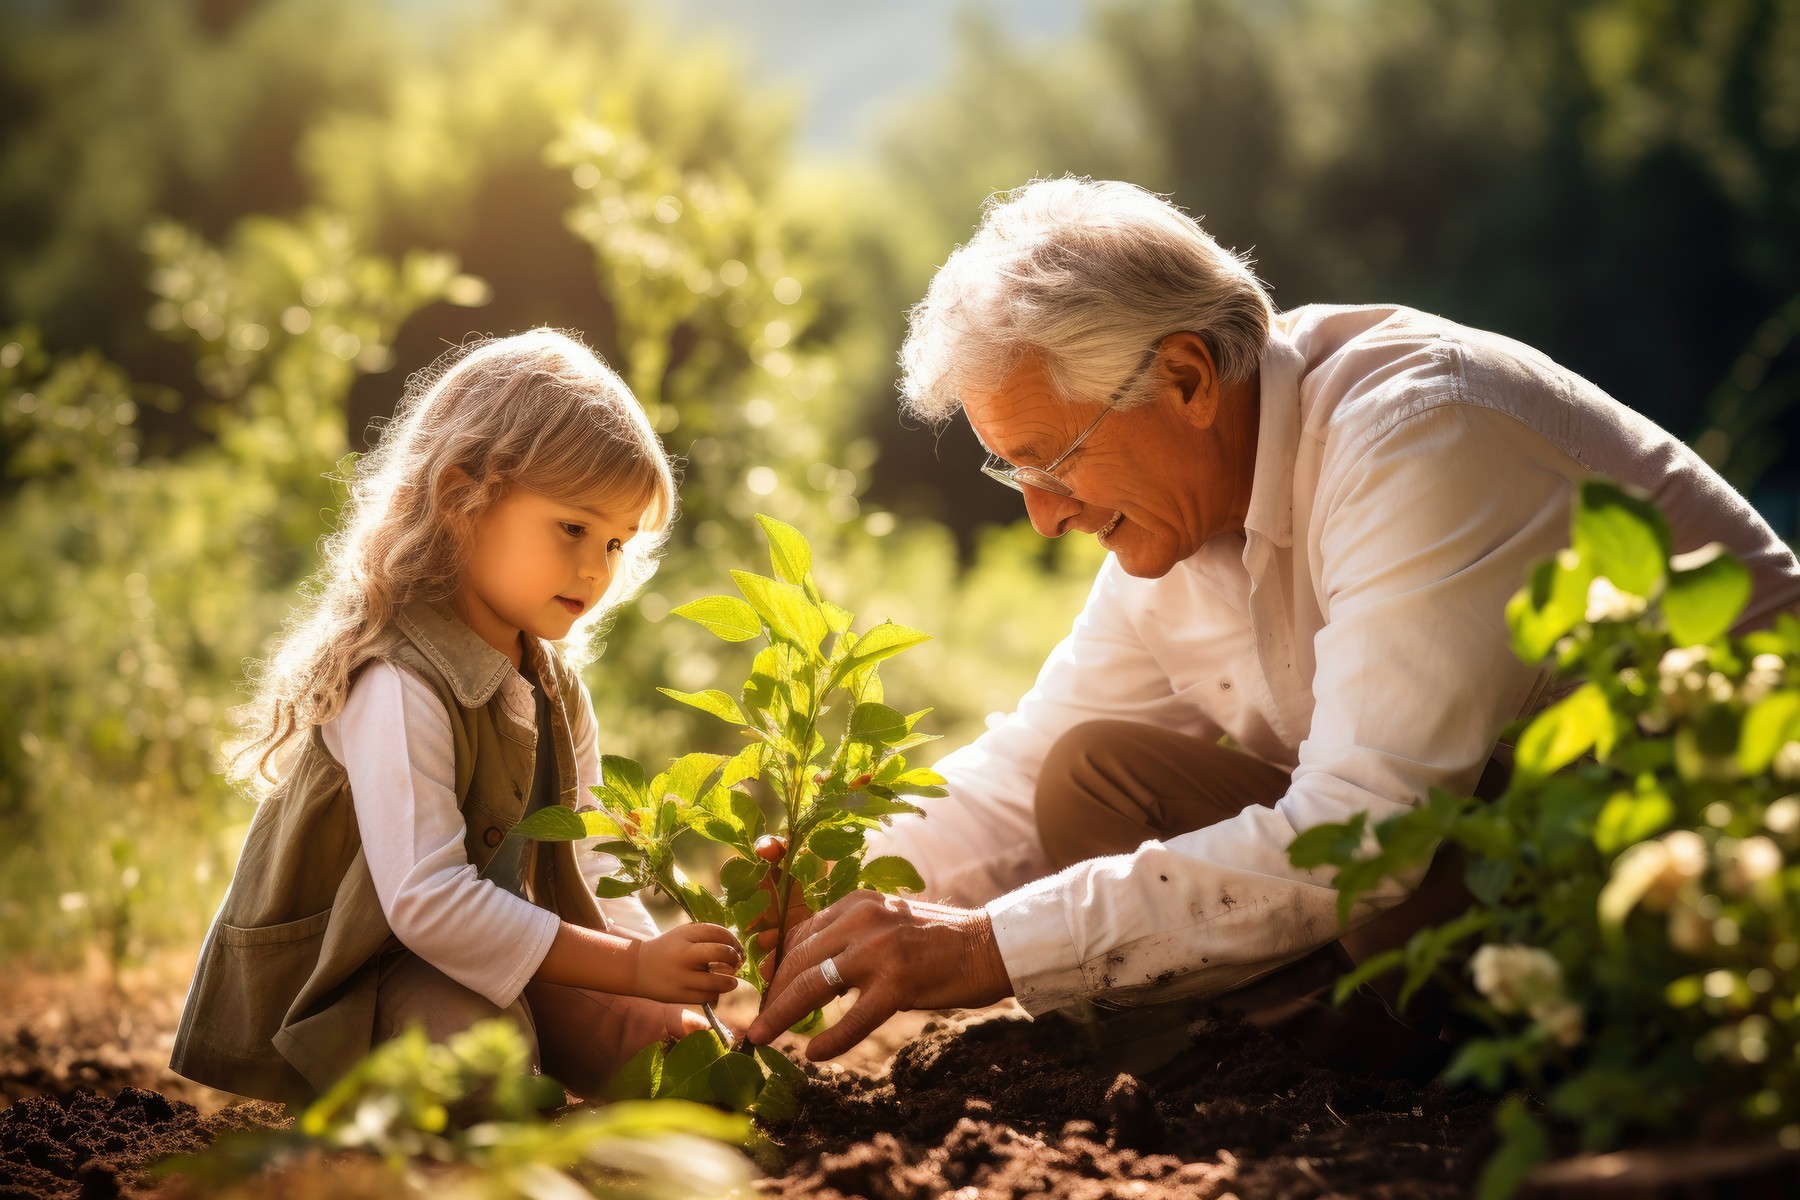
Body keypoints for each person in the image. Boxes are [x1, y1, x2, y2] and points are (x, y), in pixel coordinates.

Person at [748, 177, 1800, 1066]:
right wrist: (832, 900)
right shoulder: (1177, 515)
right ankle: (1317, 1060)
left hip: (1714, 867)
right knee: (1089, 778)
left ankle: (1405, 1073)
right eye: (1011, 469)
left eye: (1054, 459)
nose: (1042, 513)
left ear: (1188, 379)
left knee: (1359, 878)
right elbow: (1023, 774)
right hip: (1497, 860)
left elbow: (1367, 833)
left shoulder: (1417, 436)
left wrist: (985, 948)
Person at [171, 330, 742, 1106]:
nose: (595, 568)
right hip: (368, 976)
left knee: (676, 1053)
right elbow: (426, 905)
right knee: (487, 1070)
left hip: (500, 950)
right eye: (572, 527)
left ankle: (584, 1068)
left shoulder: (552, 687)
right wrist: (629, 970)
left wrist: (651, 972)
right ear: (459, 497)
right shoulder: (397, 681)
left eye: (615, 541)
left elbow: (591, 857)